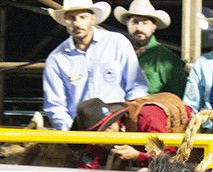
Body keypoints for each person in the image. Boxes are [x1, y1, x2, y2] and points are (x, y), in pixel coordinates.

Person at [43, 0, 147, 131]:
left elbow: (136, 87)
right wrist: (73, 134)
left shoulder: (117, 42)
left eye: (82, 17)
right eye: (71, 18)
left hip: (116, 124)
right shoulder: (56, 59)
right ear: (65, 21)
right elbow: (55, 105)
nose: (77, 23)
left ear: (93, 19)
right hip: (82, 130)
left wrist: (129, 122)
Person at [71, 94, 190, 169]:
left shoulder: (147, 118)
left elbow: (166, 157)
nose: (95, 144)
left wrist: (138, 156)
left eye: (96, 140)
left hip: (188, 155)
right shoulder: (105, 135)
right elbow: (90, 162)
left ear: (109, 127)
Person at [114, 0, 187, 97]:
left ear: (154, 27)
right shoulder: (116, 53)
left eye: (145, 23)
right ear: (128, 24)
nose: (139, 28)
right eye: (135, 22)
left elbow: (180, 97)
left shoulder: (168, 60)